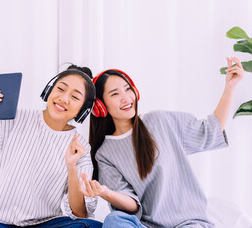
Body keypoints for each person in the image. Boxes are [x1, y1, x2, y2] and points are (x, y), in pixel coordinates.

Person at [79, 57, 245, 227]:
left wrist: (230, 88)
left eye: (128, 89)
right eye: (115, 94)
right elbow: (132, 204)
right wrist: (107, 193)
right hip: (148, 225)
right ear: (100, 106)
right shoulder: (105, 154)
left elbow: (209, 131)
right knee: (114, 220)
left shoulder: (159, 120)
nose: (126, 98)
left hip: (189, 222)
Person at [0, 65, 103, 228]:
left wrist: (71, 166)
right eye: (60, 89)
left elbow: (79, 213)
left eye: (75, 97)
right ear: (49, 91)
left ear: (82, 111)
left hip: (45, 223)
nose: (64, 98)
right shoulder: (14, 120)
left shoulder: (80, 147)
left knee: (91, 226)